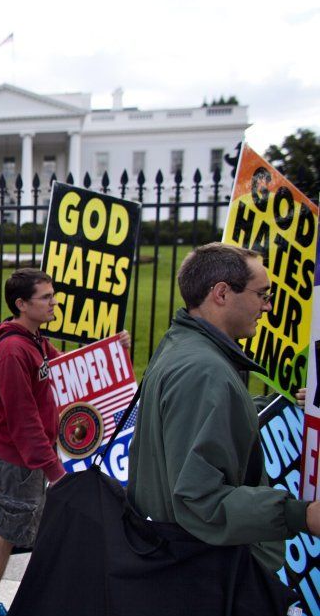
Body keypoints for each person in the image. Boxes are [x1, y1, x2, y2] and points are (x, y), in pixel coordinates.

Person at [127, 243, 320, 588]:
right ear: (221, 293)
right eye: (262, 294)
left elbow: (204, 420)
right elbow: (198, 500)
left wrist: (282, 403)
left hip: (179, 563)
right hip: (201, 573)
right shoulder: (204, 371)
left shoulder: (184, 347)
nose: (268, 306)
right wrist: (299, 514)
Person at [0, 268, 127, 616]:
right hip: (16, 461)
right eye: (46, 298)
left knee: (7, 523)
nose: (55, 303)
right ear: (22, 304)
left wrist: (110, 350)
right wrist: (54, 470)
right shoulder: (12, 352)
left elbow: (67, 366)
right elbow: (23, 420)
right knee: (7, 530)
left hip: (24, 458)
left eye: (53, 296)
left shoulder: (34, 339)